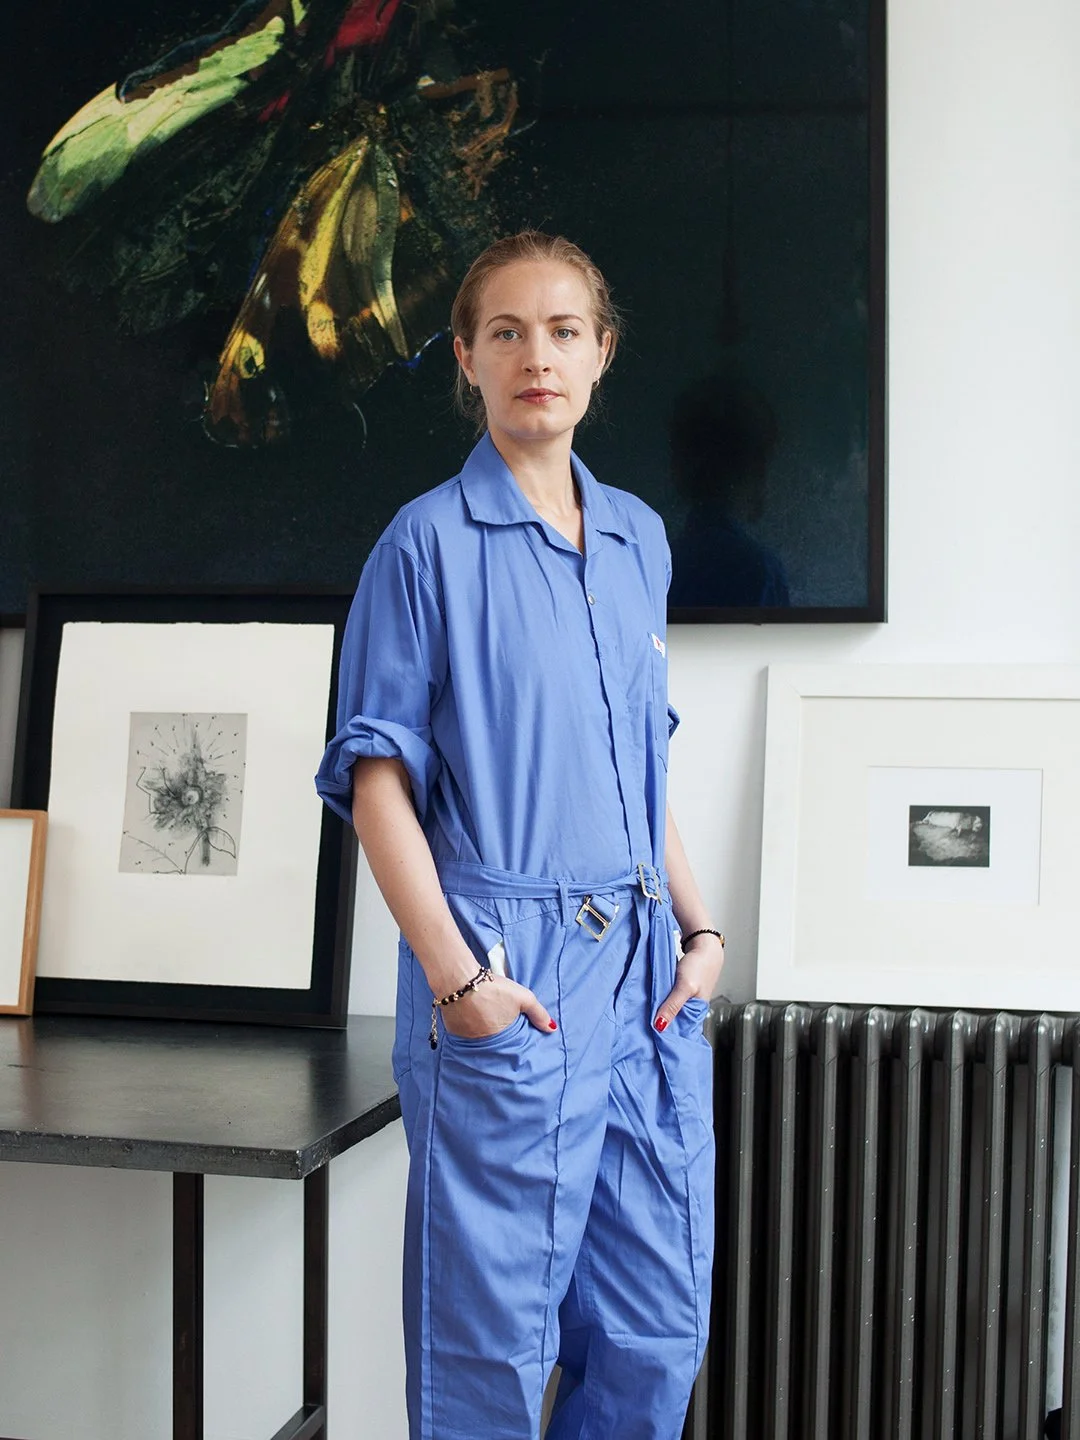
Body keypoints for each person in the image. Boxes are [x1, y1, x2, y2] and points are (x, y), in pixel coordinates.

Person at [315, 230, 725, 1440]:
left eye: (560, 330)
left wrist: (699, 930)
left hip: (649, 973)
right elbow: (374, 779)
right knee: (486, 1356)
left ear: (601, 353)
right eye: (505, 332)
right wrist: (460, 982)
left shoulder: (643, 537)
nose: (534, 355)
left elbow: (643, 757)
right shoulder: (424, 544)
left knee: (657, 1334)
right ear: (467, 358)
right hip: (509, 971)